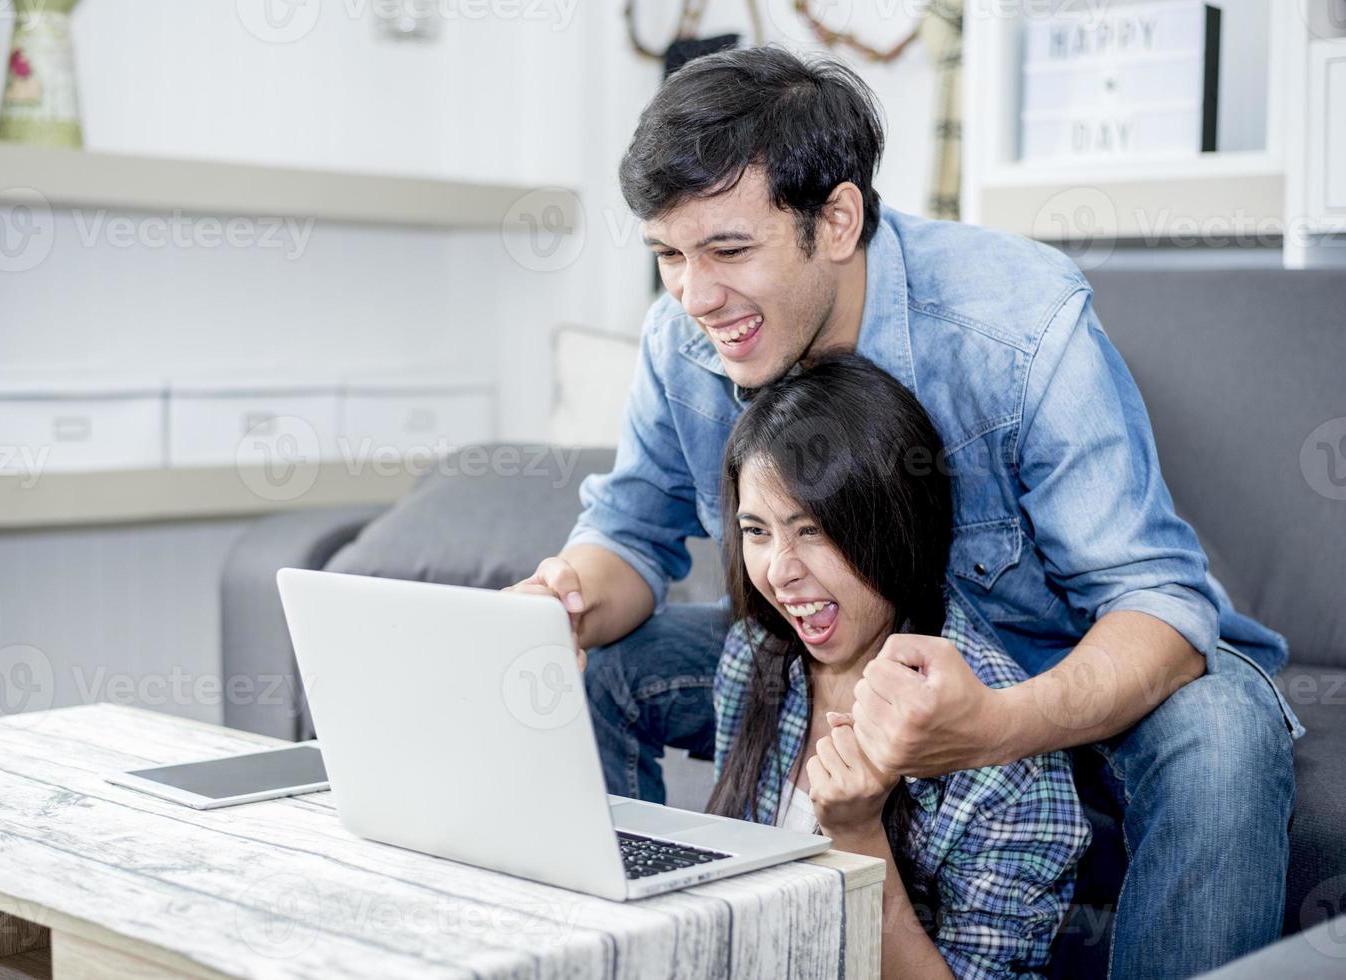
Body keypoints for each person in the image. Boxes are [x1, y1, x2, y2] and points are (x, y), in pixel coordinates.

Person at [510, 46, 1299, 978]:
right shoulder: (682, 341)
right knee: (593, 673)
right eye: (669, 256)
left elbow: (1157, 602)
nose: (695, 295)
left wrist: (993, 725)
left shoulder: (1020, 326)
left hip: (1063, 670)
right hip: (843, 660)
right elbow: (630, 537)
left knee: (1223, 736)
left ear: (836, 219)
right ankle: (625, 948)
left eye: (727, 250)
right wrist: (555, 605)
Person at [712, 354, 1088, 978]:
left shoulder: (1012, 765)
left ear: (897, 524)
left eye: (811, 531)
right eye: (757, 532)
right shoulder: (756, 655)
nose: (779, 571)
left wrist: (858, 837)